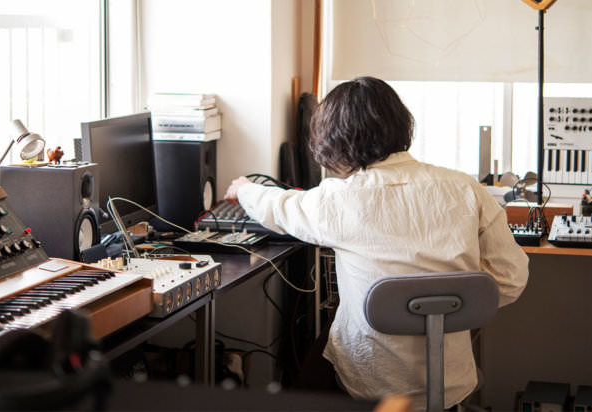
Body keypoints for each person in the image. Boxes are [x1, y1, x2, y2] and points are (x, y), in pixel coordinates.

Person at [224, 76, 529, 409]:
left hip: (371, 384)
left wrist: (243, 188)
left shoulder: (342, 198)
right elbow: (511, 279)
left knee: (314, 362)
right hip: (450, 380)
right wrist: (455, 304)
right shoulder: (466, 188)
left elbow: (280, 207)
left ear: (334, 137)